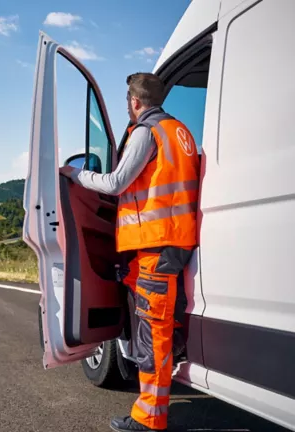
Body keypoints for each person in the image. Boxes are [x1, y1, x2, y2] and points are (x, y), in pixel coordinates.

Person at [59, 72, 200, 431]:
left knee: (154, 333)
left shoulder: (145, 132)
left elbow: (116, 182)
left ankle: (149, 419)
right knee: (161, 322)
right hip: (173, 240)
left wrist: (75, 175)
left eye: (127, 102)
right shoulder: (180, 132)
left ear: (135, 103)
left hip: (156, 243)